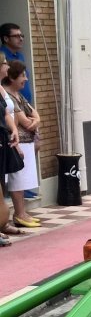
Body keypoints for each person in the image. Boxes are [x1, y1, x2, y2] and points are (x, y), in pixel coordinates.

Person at [1, 23, 38, 199]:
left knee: (34, 146)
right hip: (15, 109)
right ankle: (16, 191)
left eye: (22, 35)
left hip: (24, 105)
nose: (21, 38)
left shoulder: (20, 55)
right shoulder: (4, 57)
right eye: (16, 36)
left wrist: (35, 118)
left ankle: (26, 187)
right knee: (19, 152)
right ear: (6, 38)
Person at [2, 61, 40, 228]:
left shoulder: (19, 95)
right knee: (17, 180)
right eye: (22, 75)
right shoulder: (8, 95)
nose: (25, 79)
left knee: (23, 180)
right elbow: (24, 121)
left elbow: (34, 115)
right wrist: (30, 122)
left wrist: (36, 120)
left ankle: (21, 213)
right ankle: (18, 214)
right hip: (15, 142)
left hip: (24, 141)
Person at [0, 55, 20, 246]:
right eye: (5, 63)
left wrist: (14, 129)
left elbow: (5, 113)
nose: (8, 67)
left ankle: (2, 224)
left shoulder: (0, 89)